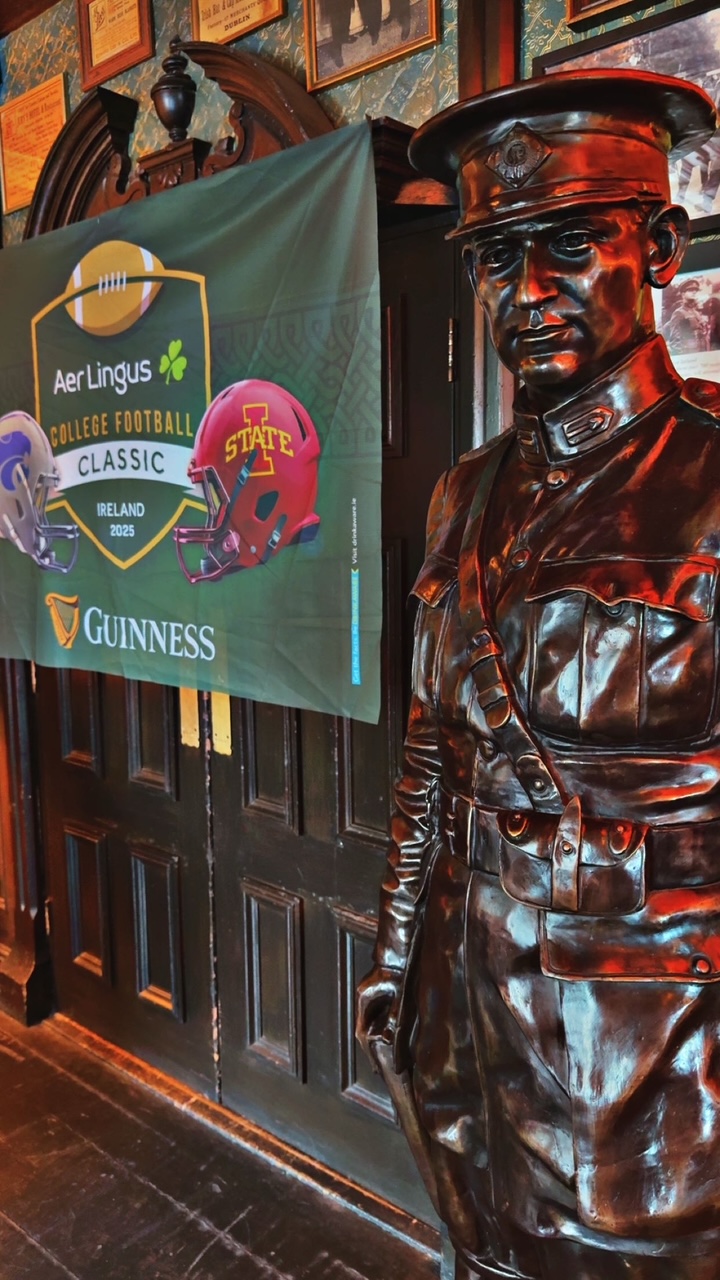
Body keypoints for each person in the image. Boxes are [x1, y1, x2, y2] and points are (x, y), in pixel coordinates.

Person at [356, 70, 720, 1280]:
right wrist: (397, 950)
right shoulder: (463, 492)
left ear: (659, 247)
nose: (523, 293)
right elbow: (432, 746)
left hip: (651, 1053)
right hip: (470, 1015)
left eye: (567, 246)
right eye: (493, 257)